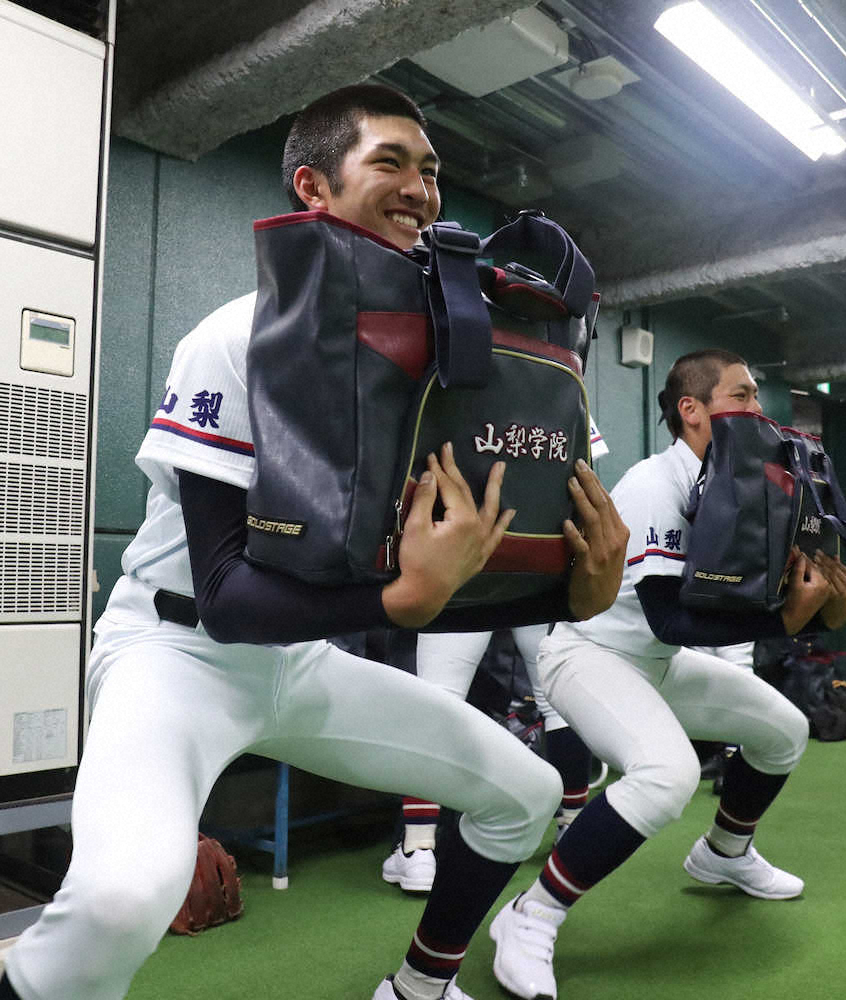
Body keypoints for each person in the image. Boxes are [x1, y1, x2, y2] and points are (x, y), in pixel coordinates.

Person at [0, 84, 628, 1000]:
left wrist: (580, 587)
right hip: (177, 651)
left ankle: (421, 985)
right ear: (313, 187)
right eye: (390, 162)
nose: (420, 187)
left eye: (431, 170)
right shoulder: (237, 333)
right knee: (121, 899)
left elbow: (514, 545)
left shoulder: (463, 342)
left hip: (301, 660)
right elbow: (222, 592)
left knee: (525, 793)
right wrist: (398, 604)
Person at [488, 349, 846, 1000]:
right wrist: (792, 623)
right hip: (588, 656)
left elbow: (739, 609)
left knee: (781, 729)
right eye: (741, 396)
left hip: (655, 662)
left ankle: (725, 853)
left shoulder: (741, 484)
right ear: (692, 409)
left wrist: (821, 612)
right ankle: (530, 915)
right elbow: (669, 619)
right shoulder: (654, 482)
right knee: (669, 774)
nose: (758, 410)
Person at [384, 429, 610, 893]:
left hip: (463, 554)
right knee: (555, 699)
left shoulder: (449, 374)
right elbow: (589, 473)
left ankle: (419, 848)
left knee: (438, 699)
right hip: (541, 556)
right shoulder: (561, 372)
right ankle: (572, 828)